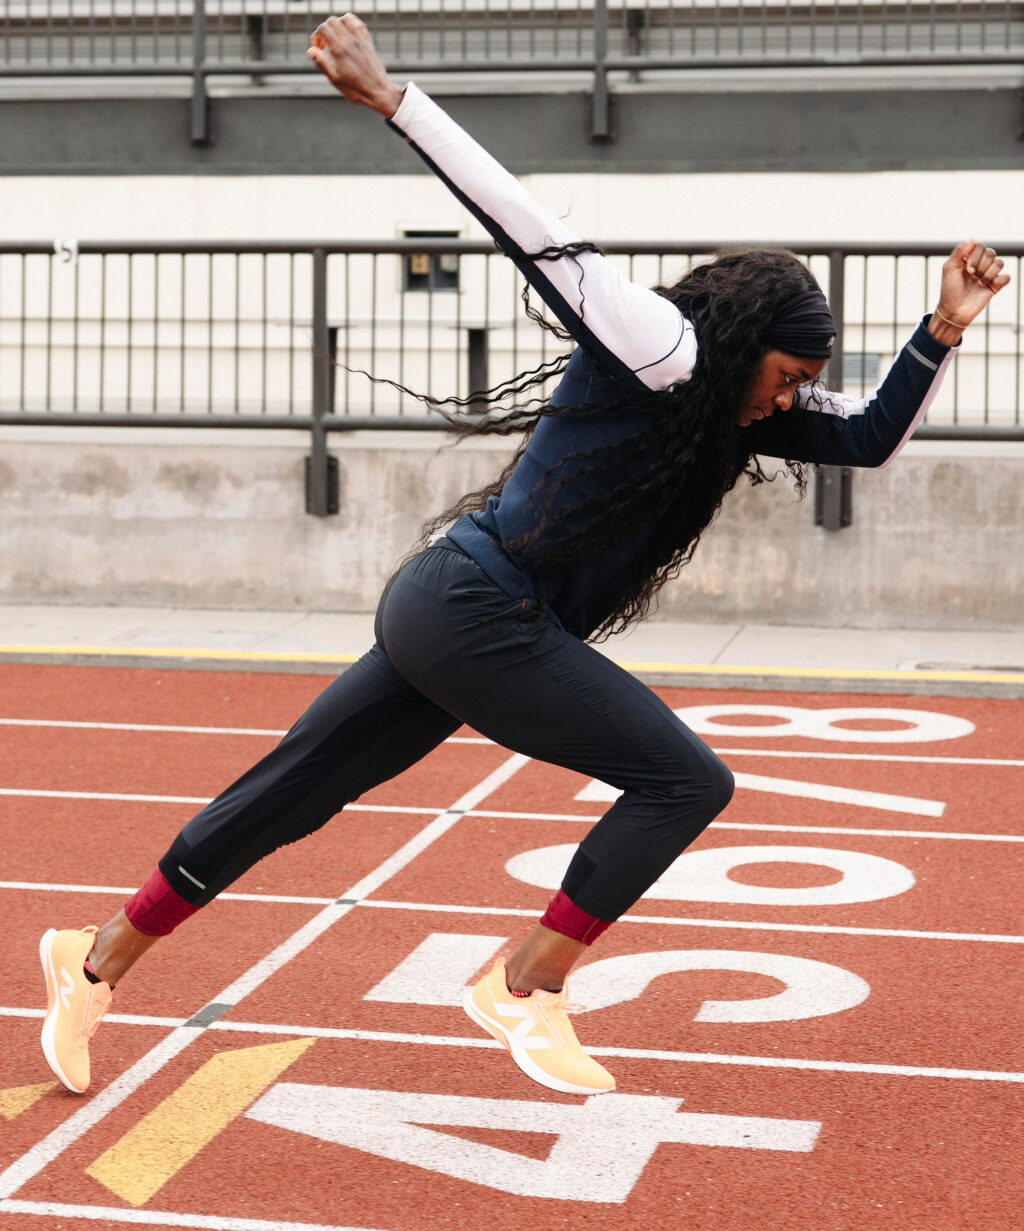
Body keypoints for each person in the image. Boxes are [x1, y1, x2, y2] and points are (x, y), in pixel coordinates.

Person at [39, 13, 1010, 1099]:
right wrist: (393, 99)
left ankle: (92, 958)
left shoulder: (735, 413)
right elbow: (532, 227)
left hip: (456, 607)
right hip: (472, 607)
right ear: (742, 345)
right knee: (683, 779)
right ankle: (525, 983)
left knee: (290, 796)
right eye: (782, 375)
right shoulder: (661, 347)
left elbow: (869, 440)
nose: (785, 399)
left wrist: (944, 327)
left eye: (793, 385)